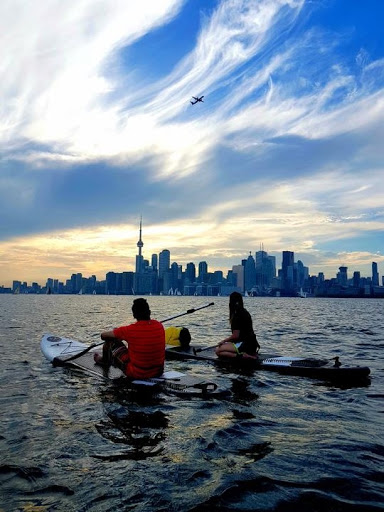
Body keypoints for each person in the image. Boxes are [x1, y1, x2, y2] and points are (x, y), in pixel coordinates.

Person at [94, 298, 165, 379]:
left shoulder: (130, 330)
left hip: (137, 373)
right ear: (149, 312)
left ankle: (104, 361)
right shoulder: (159, 326)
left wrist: (117, 336)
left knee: (110, 342)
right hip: (158, 372)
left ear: (134, 315)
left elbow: (103, 336)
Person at [215, 291, 260, 359]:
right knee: (223, 347)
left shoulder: (237, 316)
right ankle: (245, 353)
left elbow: (235, 336)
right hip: (252, 344)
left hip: (244, 344)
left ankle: (242, 356)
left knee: (218, 351)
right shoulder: (245, 312)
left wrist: (224, 341)